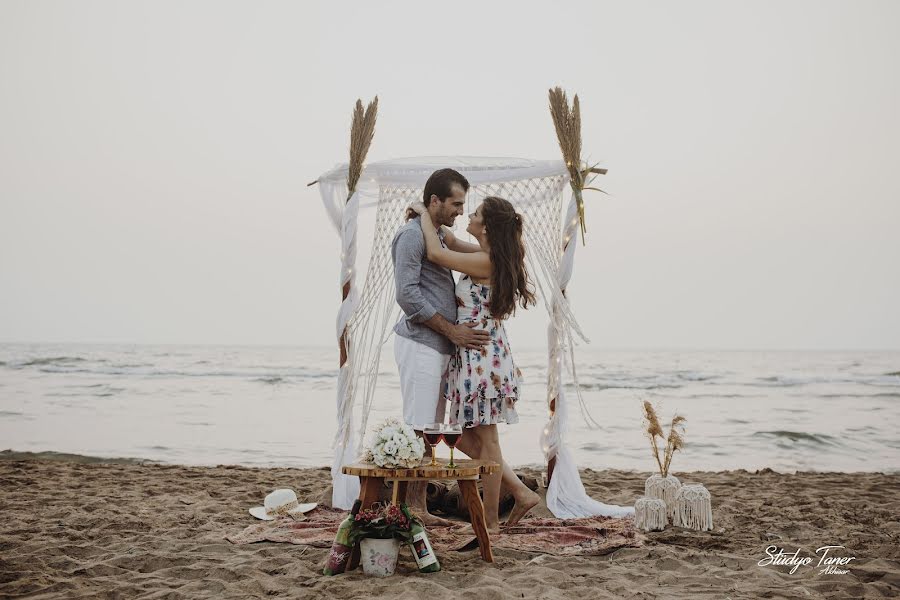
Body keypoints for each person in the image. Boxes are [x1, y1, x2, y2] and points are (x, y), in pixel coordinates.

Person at [409, 195, 541, 533]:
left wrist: (424, 212)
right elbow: (448, 241)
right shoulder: (484, 255)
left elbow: (437, 254)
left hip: (482, 359)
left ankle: (491, 521)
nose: (469, 213)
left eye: (477, 212)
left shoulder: (486, 262)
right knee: (471, 440)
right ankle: (521, 492)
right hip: (475, 354)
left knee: (488, 441)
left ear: (486, 226)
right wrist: (430, 218)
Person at [391, 168, 490, 526]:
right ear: (435, 201)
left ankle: (419, 506)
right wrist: (453, 332)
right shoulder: (411, 236)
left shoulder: (435, 235)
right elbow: (407, 295)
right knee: (419, 425)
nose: (460, 211)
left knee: (429, 427)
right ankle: (414, 508)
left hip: (437, 346)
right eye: (455, 204)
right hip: (421, 343)